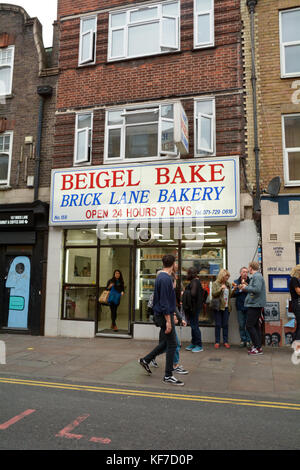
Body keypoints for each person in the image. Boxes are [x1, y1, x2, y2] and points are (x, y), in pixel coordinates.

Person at [138, 254, 184, 386]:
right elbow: (164, 302)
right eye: (176, 263)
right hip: (164, 317)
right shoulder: (164, 279)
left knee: (166, 343)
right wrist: (169, 321)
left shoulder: (164, 277)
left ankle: (146, 360)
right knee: (173, 344)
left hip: (164, 315)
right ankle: (168, 375)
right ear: (173, 263)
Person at [241, 261, 266, 356]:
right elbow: (255, 288)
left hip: (255, 305)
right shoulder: (257, 277)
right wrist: (247, 286)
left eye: (248, 268)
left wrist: (246, 288)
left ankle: (258, 348)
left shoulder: (257, 276)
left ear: (251, 268)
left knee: (249, 325)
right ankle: (257, 346)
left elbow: (257, 289)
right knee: (255, 326)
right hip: (255, 304)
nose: (248, 270)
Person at [183, 267, 204, 353]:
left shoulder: (195, 281)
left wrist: (184, 292)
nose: (187, 275)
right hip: (193, 307)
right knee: (193, 325)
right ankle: (194, 343)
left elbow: (193, 293)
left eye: (188, 273)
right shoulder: (195, 281)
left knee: (195, 326)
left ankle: (199, 345)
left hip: (194, 308)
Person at [211, 269, 232, 349]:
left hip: (227, 307)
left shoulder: (228, 284)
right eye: (226, 276)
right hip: (219, 307)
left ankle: (225, 341)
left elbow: (230, 295)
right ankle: (217, 341)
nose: (227, 278)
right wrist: (220, 289)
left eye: (228, 276)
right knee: (218, 324)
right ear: (222, 276)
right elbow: (213, 294)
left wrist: (234, 290)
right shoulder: (216, 283)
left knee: (225, 324)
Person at [232, 267, 252, 348]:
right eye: (243, 272)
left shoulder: (251, 281)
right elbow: (233, 294)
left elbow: (253, 292)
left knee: (248, 324)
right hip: (240, 306)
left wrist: (246, 288)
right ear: (240, 273)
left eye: (246, 272)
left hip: (249, 306)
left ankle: (248, 340)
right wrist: (239, 289)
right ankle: (243, 340)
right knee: (241, 324)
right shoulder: (236, 282)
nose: (245, 273)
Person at [289, 265, 300, 341]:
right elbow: (298, 292)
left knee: (299, 325)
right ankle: (297, 344)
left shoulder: (297, 280)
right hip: (297, 304)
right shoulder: (294, 279)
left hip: (297, 304)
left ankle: (295, 342)